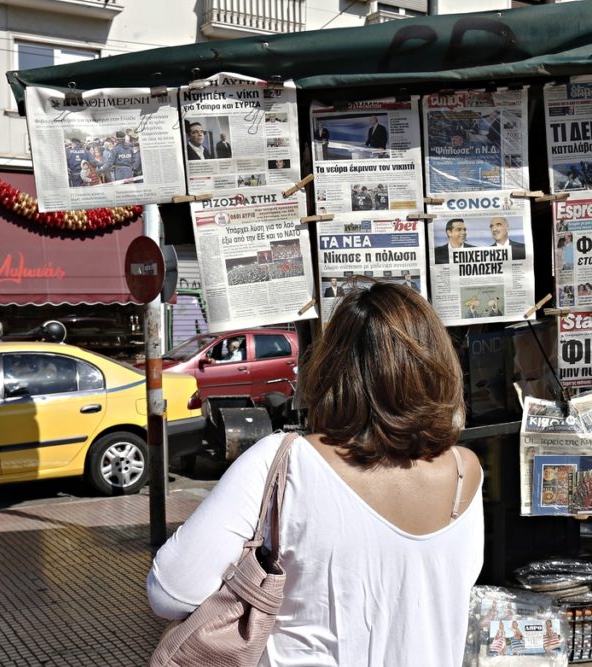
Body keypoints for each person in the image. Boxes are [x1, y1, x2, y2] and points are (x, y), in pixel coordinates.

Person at [147, 281, 483, 666]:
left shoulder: (286, 461)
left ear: (333, 369)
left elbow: (171, 591)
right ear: (435, 365)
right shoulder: (464, 471)